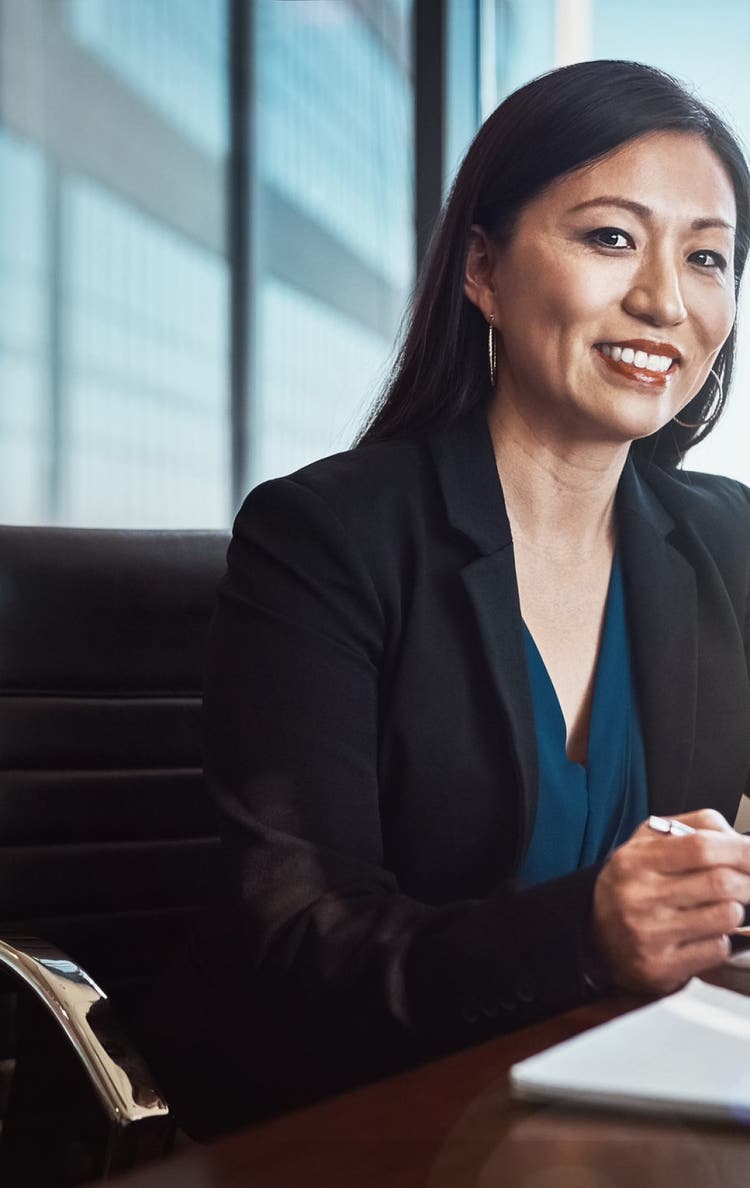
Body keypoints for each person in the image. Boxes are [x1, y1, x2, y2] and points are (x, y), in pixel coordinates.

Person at [141, 60, 750, 1138]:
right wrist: (583, 935)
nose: (664, 298)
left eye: (707, 256)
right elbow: (300, 935)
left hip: (634, 1113)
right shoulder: (324, 537)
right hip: (354, 1123)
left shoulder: (729, 539)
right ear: (482, 269)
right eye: (611, 238)